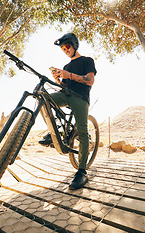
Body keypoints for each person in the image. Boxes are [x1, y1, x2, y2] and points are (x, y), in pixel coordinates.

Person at [39, 33, 97, 190]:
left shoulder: (87, 60)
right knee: (43, 100)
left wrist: (69, 75)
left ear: (75, 45)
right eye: (63, 48)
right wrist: (59, 79)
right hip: (66, 94)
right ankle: (54, 132)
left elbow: (90, 80)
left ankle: (82, 171)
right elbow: (64, 87)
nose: (65, 50)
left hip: (80, 97)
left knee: (83, 131)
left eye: (67, 46)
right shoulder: (66, 67)